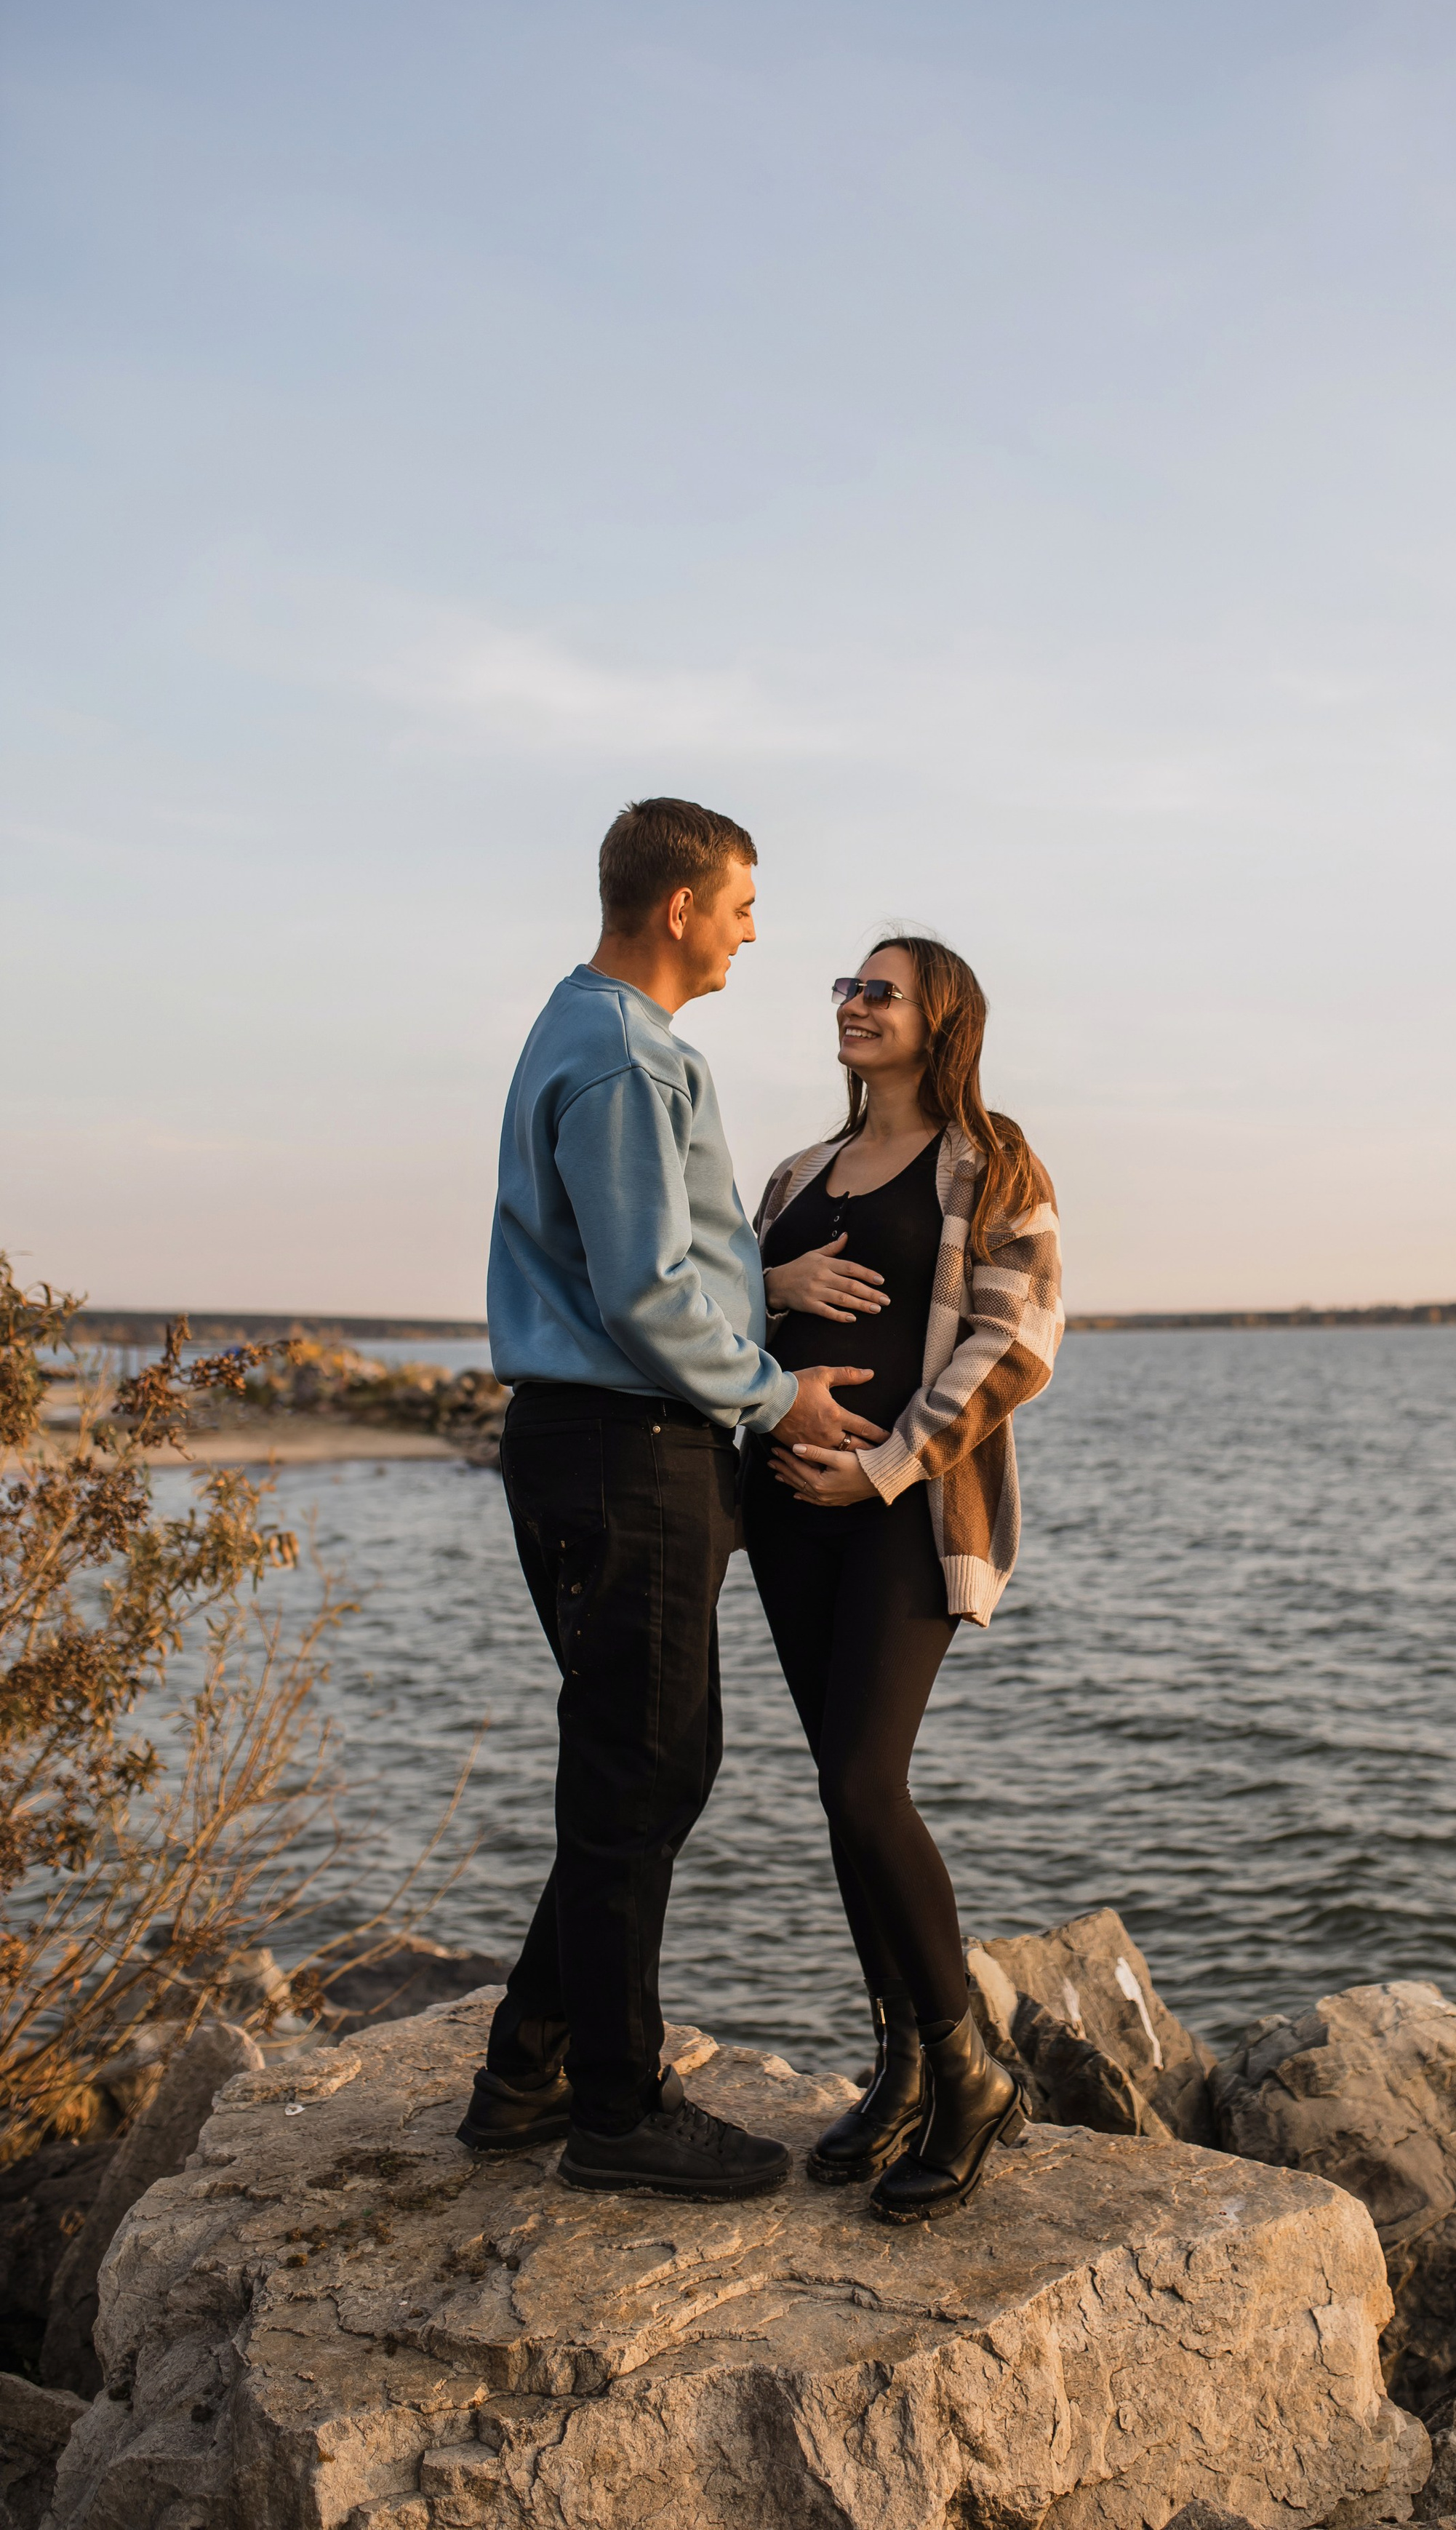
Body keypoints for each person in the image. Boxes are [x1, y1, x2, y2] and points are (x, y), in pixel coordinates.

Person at [460, 798, 888, 2200]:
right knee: (640, 1766)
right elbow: (643, 1293)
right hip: (629, 1448)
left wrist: (759, 1284)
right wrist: (777, 1392)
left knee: (652, 1760)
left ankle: (528, 2070)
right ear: (681, 906)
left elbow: (630, 1257)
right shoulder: (629, 1057)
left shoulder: (581, 1028)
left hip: (598, 1441)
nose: (755, 934)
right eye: (744, 906)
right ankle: (618, 2111)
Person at [743, 933, 1064, 2222]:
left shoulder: (994, 1166)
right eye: (848, 987)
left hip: (904, 1516)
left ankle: (970, 2074)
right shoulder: (794, 1177)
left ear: (943, 1021)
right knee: (840, 1795)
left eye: (883, 992)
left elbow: (1017, 1343)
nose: (856, 1005)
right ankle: (902, 2069)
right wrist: (772, 1278)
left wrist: (880, 1466)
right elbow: (715, 1320)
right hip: (787, 1514)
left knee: (864, 1783)